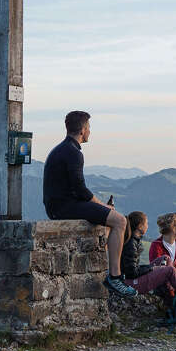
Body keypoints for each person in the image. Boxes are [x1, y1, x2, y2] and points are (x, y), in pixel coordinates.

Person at [42, 110, 136, 298]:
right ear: (83, 129)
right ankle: (115, 277)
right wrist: (103, 206)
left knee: (109, 222)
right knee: (119, 221)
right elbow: (80, 189)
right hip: (65, 207)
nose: (90, 132)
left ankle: (111, 272)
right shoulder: (74, 152)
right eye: (89, 128)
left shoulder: (60, 149)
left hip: (57, 206)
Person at [120, 211, 176, 299]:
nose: (147, 226)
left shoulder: (134, 241)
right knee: (170, 270)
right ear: (140, 226)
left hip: (132, 279)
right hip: (131, 284)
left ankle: (173, 289)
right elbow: (132, 272)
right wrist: (152, 268)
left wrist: (151, 268)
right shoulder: (131, 244)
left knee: (166, 258)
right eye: (146, 223)